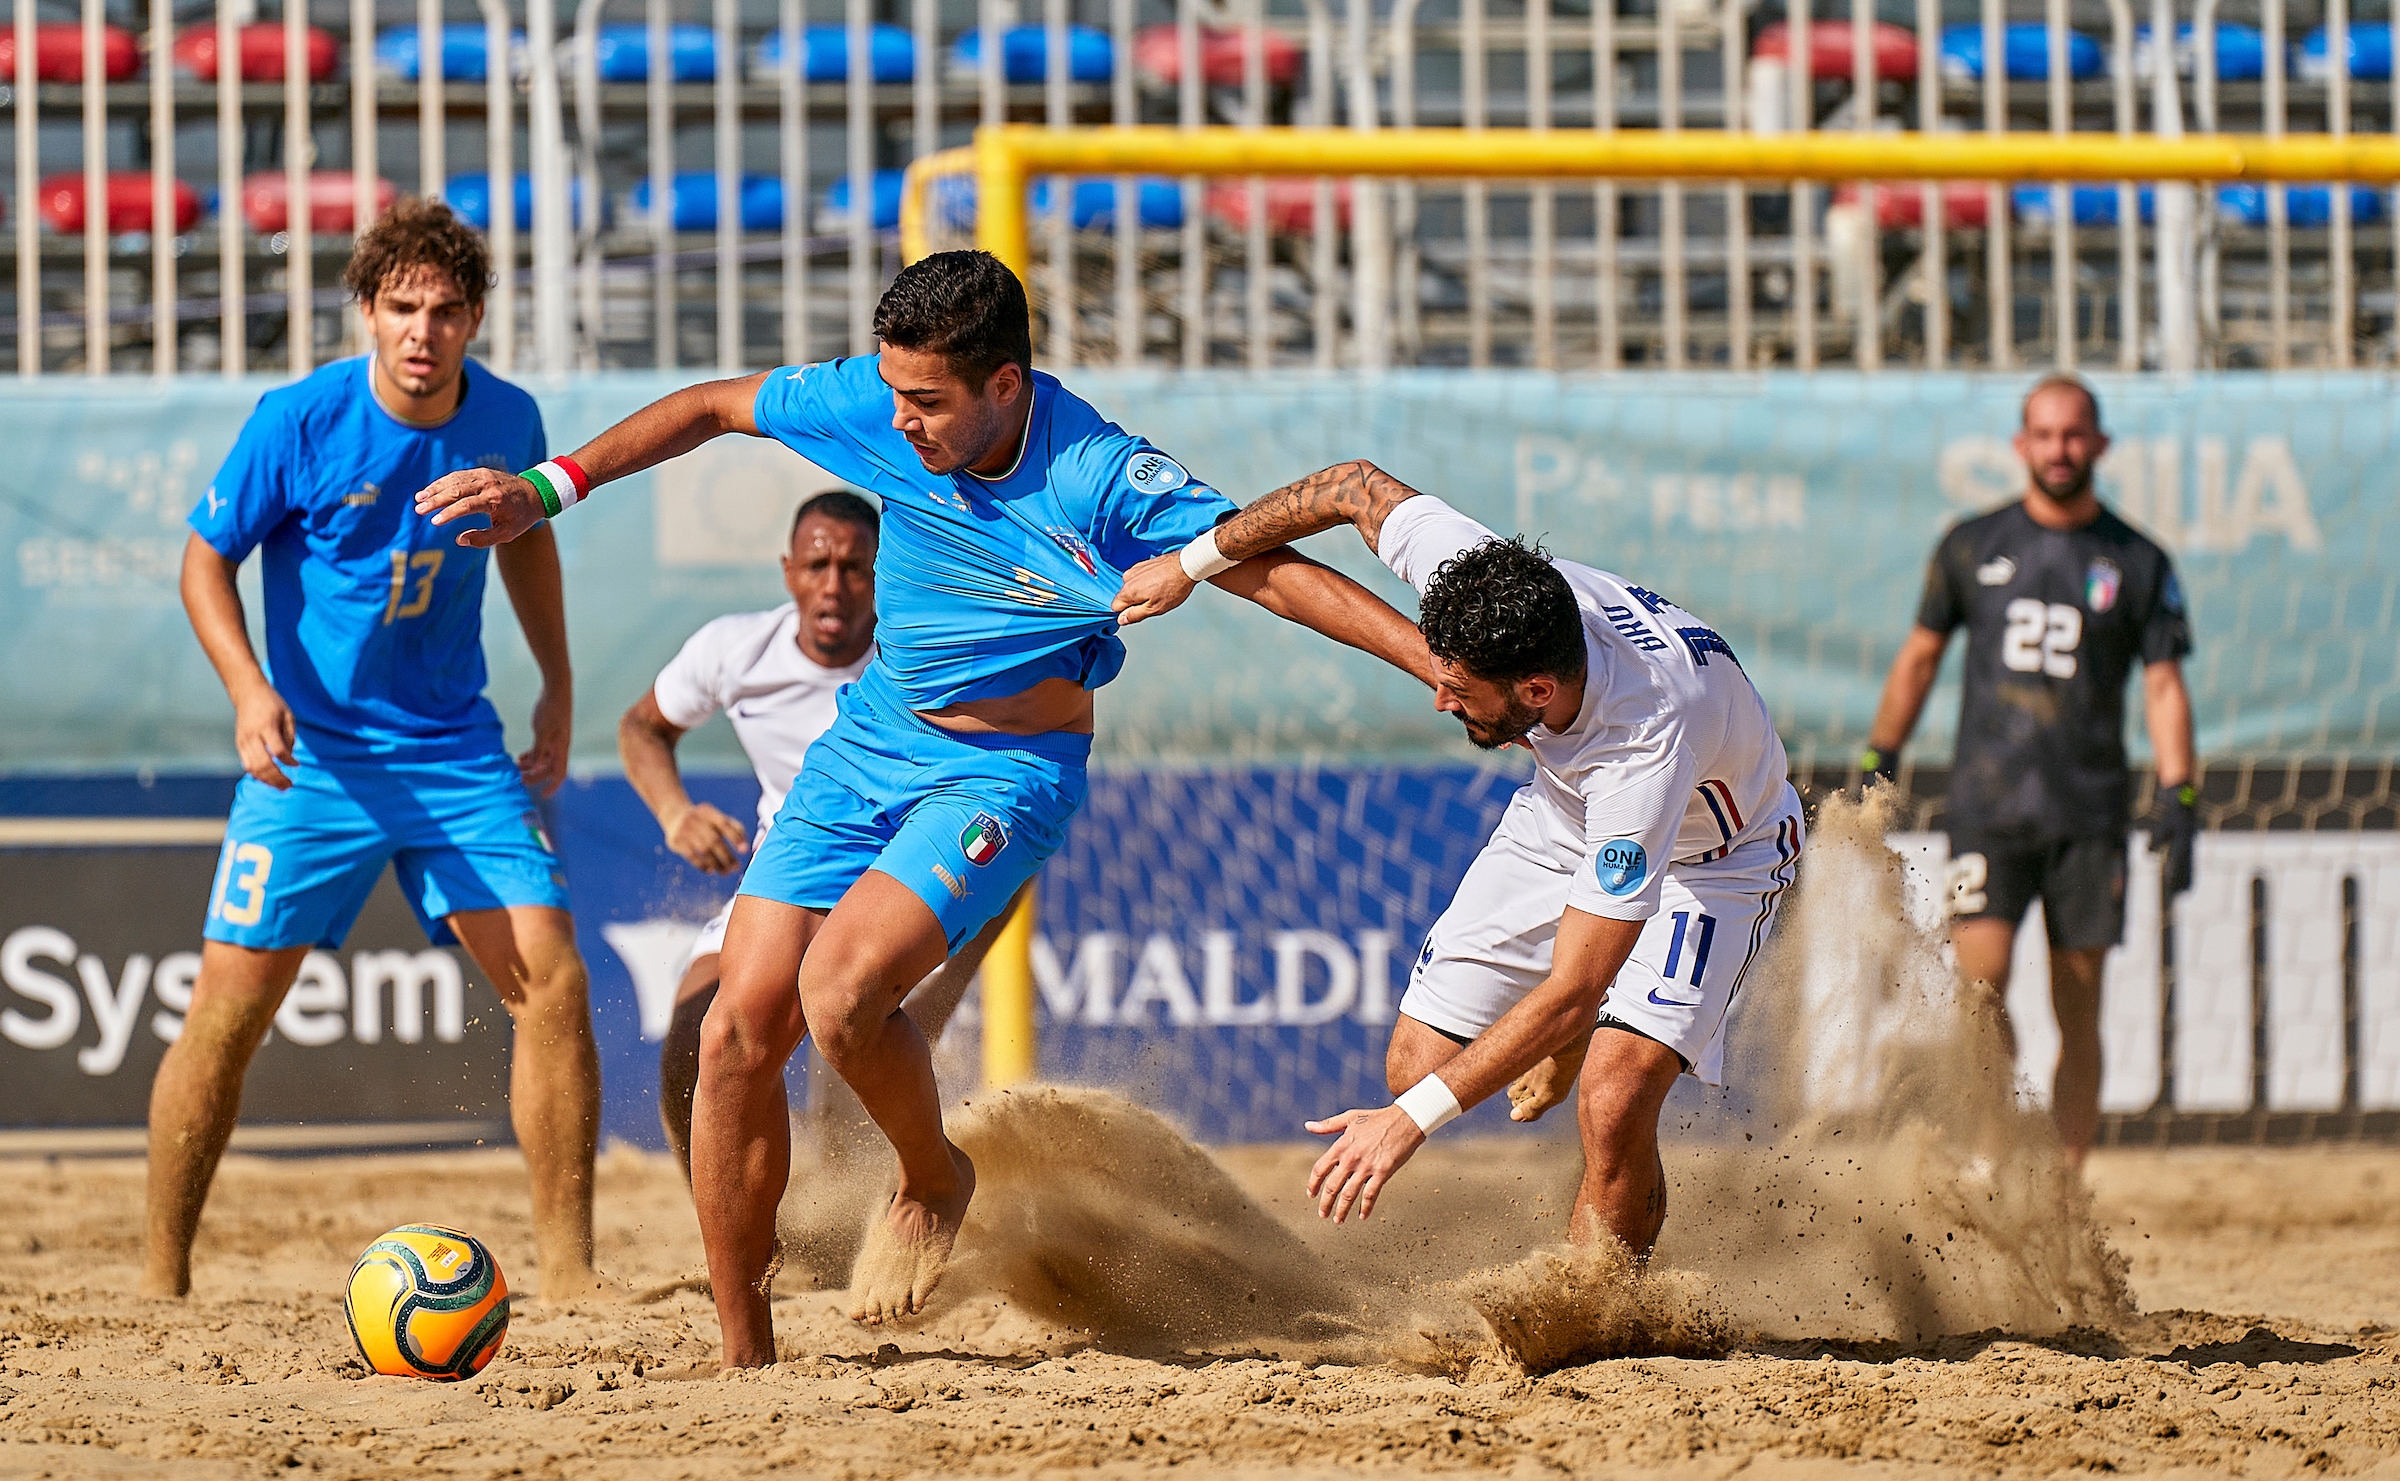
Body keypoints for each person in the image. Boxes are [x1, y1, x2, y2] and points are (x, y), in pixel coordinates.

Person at [412, 250, 1429, 1365]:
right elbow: (711, 406)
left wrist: (1433, 663)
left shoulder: (1099, 473)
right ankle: (745, 1357)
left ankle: (935, 1170)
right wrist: (547, 486)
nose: (898, 422)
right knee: (735, 1033)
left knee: (840, 994)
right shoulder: (881, 401)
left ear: (1006, 386)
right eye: (894, 393)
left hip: (1005, 769)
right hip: (871, 741)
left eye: (928, 403)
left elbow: (1272, 568)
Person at [1114, 462, 1804, 1258]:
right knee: (1417, 1067)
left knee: (1613, 1098)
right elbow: (1351, 486)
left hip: (1717, 856)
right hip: (1565, 810)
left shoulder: (1640, 744)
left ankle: (1602, 1313)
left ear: (1537, 688)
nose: (1442, 701)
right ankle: (1568, 1035)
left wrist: (1405, 1128)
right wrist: (1192, 563)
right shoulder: (1492, 584)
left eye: (1458, 689)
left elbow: (1574, 989)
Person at [148, 199, 604, 1301]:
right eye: (401, 307)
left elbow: (524, 543)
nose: (423, 330)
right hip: (314, 760)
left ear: (477, 316)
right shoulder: (297, 419)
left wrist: (557, 681)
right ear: (365, 310)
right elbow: (204, 563)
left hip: (455, 751)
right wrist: (250, 690)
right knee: (225, 1014)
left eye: (446, 310)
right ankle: (161, 1278)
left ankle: (574, 1275)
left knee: (553, 982)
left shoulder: (509, 415)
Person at [617, 488, 1011, 1181]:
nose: (834, 585)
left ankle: (908, 1196)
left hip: (906, 885)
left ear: (884, 574)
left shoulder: (925, 661)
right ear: (788, 569)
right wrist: (676, 812)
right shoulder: (736, 649)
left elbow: (1011, 794)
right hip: (791, 875)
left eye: (856, 568)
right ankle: (749, 1232)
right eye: (817, 564)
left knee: (851, 1060)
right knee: (696, 1042)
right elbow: (643, 727)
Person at [1859, 373, 2195, 1171]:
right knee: (1980, 993)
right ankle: (1993, 1151)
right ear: (2020, 445)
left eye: (2074, 434)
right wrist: (1881, 757)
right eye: (2043, 435)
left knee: (2079, 1008)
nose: (2059, 449)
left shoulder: (2139, 560)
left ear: (2100, 444)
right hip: (1988, 804)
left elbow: (2163, 685)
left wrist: (2180, 792)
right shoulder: (1971, 545)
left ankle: (2064, 1194)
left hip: (2091, 814)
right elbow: (1919, 659)